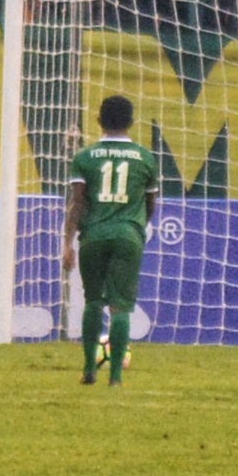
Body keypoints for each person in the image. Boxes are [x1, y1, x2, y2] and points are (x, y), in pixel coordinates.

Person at [64, 94, 162, 387]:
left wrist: (67, 243)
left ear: (98, 120)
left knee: (93, 301)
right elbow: (151, 203)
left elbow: (77, 203)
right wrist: (137, 228)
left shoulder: (84, 157)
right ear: (132, 123)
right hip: (127, 235)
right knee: (120, 307)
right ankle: (116, 378)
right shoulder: (146, 158)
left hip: (93, 236)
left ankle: (88, 371)